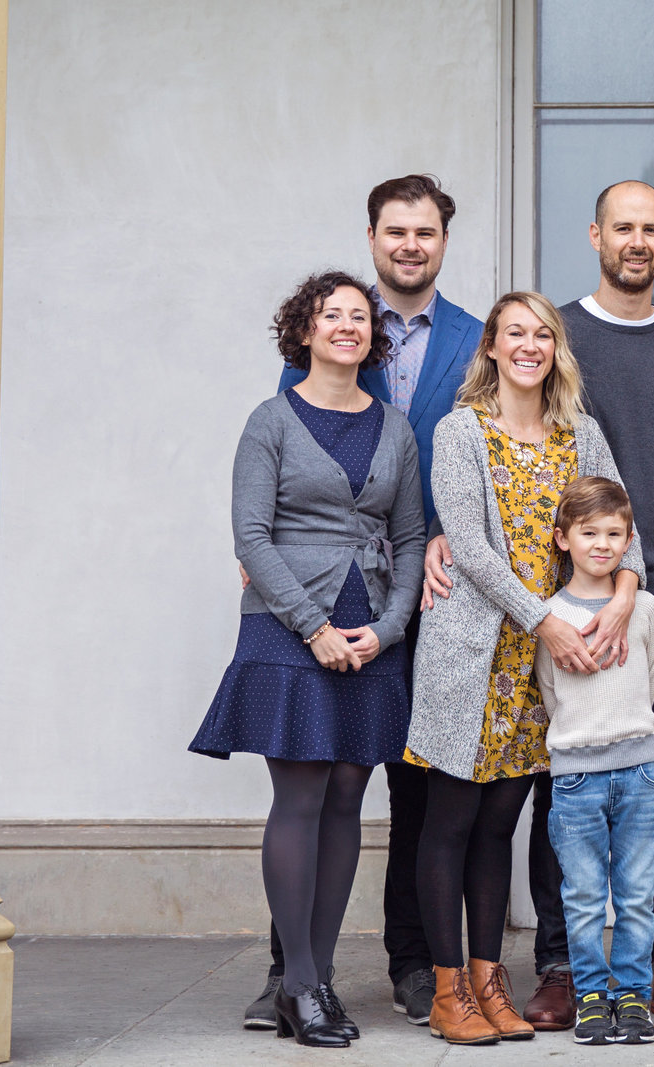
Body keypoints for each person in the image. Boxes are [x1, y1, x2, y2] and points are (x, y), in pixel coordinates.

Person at [251, 174, 486, 1031]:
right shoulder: (326, 329)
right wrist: (275, 574)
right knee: (311, 777)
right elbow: (277, 476)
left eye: (426, 232)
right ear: (373, 235)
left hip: (433, 584)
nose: (411, 244)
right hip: (320, 591)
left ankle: (412, 961)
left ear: (443, 242)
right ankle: (292, 969)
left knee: (405, 782)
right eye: (396, 231)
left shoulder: (471, 338)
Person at [402, 291, 646, 1045]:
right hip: (476, 654)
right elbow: (468, 545)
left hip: (548, 670)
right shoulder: (459, 431)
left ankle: (488, 981)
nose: (530, 345)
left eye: (543, 333)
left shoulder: (583, 435)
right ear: (492, 348)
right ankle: (448, 991)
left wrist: (624, 597)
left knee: (500, 826)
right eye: (516, 333)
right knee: (451, 820)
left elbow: (624, 528)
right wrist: (544, 617)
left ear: (555, 349)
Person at [192, 271, 427, 1047]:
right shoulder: (271, 420)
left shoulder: (394, 426)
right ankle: (297, 983)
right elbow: (251, 536)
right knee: (300, 798)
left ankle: (316, 981)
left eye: (360, 317)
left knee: (347, 803)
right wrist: (313, 626)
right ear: (304, 331)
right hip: (288, 627)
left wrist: (388, 628)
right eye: (333, 315)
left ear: (374, 337)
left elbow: (411, 537)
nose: (348, 327)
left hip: (370, 633)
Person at [524, 180, 654, 1031]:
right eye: (622, 227)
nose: (636, 241)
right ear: (594, 233)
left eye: (651, 229)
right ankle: (563, 961)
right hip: (562, 586)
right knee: (559, 775)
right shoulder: (557, 335)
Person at [531, 476, 654, 1046]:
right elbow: (550, 692)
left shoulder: (646, 608)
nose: (602, 545)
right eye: (589, 533)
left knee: (636, 896)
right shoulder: (550, 617)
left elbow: (650, 679)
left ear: (629, 538)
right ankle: (590, 995)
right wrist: (580, 739)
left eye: (615, 533)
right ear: (564, 539)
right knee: (583, 897)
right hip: (576, 777)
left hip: (639, 770)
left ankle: (632, 996)